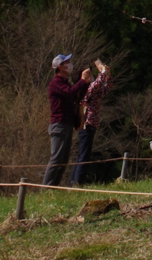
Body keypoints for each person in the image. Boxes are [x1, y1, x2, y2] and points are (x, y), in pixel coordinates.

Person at [42, 54, 89, 186]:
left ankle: (54, 187)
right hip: (59, 124)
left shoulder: (66, 83)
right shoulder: (55, 83)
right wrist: (81, 81)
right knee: (56, 158)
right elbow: (69, 92)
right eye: (66, 62)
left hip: (67, 123)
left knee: (63, 159)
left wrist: (85, 84)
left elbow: (76, 95)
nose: (69, 64)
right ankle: (46, 188)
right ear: (59, 67)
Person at [68, 58, 110, 186]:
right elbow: (97, 84)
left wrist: (108, 76)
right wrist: (102, 70)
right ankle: (77, 183)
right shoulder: (84, 90)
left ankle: (73, 182)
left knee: (82, 154)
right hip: (86, 125)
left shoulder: (91, 90)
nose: (91, 77)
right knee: (84, 156)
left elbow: (105, 89)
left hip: (90, 125)